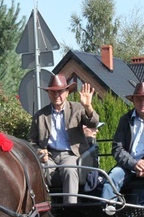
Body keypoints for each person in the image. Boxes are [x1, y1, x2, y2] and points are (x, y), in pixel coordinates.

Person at [29, 74, 99, 204]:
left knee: (70, 169)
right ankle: (41, 210)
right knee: (37, 171)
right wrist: (39, 151)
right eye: (53, 92)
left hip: (71, 153)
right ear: (48, 93)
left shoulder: (77, 108)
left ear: (67, 92)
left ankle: (70, 208)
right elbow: (32, 142)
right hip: (49, 156)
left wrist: (88, 106)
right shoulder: (40, 115)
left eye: (60, 92)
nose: (57, 96)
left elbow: (93, 123)